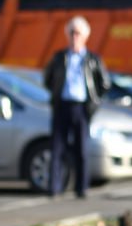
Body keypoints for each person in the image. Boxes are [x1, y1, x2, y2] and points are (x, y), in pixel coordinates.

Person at [42, 15, 109, 198]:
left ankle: (81, 188)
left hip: (81, 108)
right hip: (62, 106)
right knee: (57, 148)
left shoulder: (92, 59)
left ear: (85, 36)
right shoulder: (60, 57)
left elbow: (104, 84)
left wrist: (93, 103)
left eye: (78, 33)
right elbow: (48, 80)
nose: (74, 37)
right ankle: (54, 188)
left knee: (81, 149)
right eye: (71, 33)